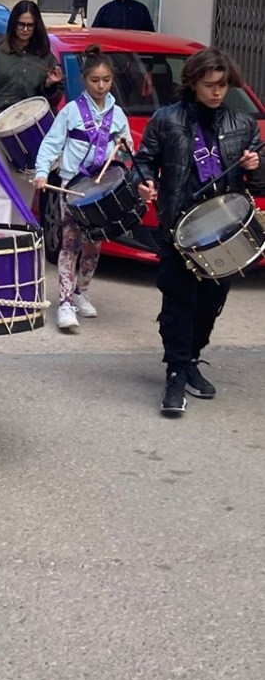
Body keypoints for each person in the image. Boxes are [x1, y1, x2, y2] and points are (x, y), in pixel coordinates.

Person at [133, 47, 264, 416]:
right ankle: (175, 371)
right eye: (210, 85)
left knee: (210, 303)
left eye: (222, 85)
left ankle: (190, 359)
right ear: (192, 83)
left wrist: (255, 166)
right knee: (178, 301)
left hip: (224, 230)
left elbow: (261, 183)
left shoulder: (243, 124)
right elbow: (143, 163)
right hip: (179, 225)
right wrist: (143, 182)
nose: (217, 92)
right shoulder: (166, 119)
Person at [33, 46, 130, 331]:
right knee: (70, 243)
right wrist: (41, 171)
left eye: (106, 80)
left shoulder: (118, 114)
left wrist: (124, 148)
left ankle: (81, 292)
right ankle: (64, 302)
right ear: (84, 80)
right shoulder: (71, 111)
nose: (100, 86)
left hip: (101, 188)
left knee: (94, 244)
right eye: (94, 80)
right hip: (73, 187)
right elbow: (51, 143)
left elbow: (126, 150)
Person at [0, 0, 63, 225]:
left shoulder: (45, 57)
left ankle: (19, 240)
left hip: (28, 131)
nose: (25, 30)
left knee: (23, 191)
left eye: (30, 25)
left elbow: (52, 100)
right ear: (13, 25)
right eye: (21, 25)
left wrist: (51, 85)